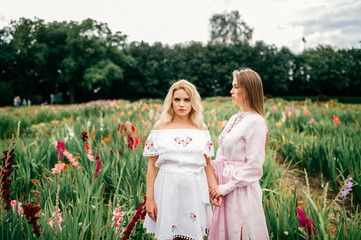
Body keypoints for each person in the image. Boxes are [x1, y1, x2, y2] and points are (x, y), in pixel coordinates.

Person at [143, 80, 222, 240]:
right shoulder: (160, 127)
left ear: (193, 102)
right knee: (169, 235)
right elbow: (152, 166)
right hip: (167, 189)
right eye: (177, 99)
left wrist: (215, 190)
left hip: (194, 189)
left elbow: (206, 164)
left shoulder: (201, 128)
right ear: (171, 102)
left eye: (186, 100)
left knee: (193, 235)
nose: (181, 104)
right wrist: (150, 199)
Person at [208, 68, 269, 240]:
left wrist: (224, 188)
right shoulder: (236, 118)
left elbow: (254, 167)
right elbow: (222, 154)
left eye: (235, 87)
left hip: (240, 190)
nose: (231, 91)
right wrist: (205, 170)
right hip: (224, 187)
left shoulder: (256, 122)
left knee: (239, 232)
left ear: (248, 89)